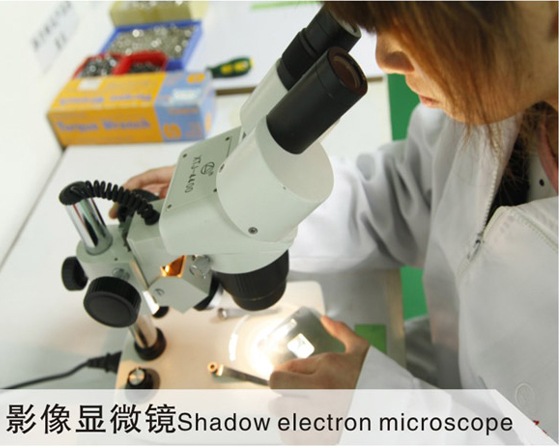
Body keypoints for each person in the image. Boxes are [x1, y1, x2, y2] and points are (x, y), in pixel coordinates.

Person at [110, 1, 558, 439]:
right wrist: (244, 205)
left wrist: (386, 415)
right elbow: (401, 195)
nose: (386, 59)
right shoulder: (504, 105)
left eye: (425, 20)